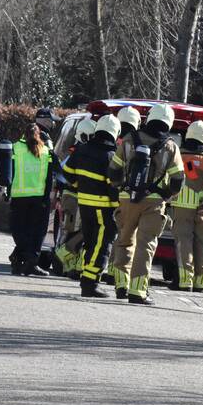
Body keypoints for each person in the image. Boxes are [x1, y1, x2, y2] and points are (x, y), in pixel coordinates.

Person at [108, 103, 185, 304]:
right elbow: (178, 180)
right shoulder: (170, 146)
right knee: (145, 245)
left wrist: (122, 187)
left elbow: (114, 170)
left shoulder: (128, 140)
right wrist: (165, 195)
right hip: (153, 202)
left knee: (124, 241)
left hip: (127, 199)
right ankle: (138, 291)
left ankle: (121, 285)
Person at [62, 114, 120, 298]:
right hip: (104, 209)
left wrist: (82, 187)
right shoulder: (111, 155)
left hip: (84, 205)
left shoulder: (82, 149)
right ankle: (90, 283)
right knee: (102, 246)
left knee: (89, 242)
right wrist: (119, 206)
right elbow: (114, 186)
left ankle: (87, 278)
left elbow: (68, 174)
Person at [171, 120, 203, 292]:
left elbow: (180, 177)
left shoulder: (180, 155)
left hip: (182, 205)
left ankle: (185, 280)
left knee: (184, 241)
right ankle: (201, 280)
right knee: (202, 243)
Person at [9, 123, 55, 276]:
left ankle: (20, 260)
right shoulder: (46, 151)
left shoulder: (15, 147)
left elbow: (10, 171)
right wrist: (46, 196)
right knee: (37, 233)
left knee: (21, 231)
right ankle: (29, 262)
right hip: (39, 198)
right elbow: (49, 178)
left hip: (18, 196)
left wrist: (7, 192)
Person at [54, 117, 96, 279]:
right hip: (73, 197)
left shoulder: (80, 151)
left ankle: (72, 266)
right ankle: (63, 260)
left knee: (79, 231)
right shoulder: (77, 153)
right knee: (74, 231)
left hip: (76, 196)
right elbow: (65, 175)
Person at [104, 107, 141, 288]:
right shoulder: (136, 141)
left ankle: (111, 270)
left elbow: (113, 169)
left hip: (114, 193)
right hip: (134, 195)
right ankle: (114, 271)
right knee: (125, 237)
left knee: (116, 235)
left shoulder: (118, 140)